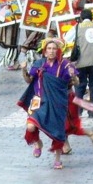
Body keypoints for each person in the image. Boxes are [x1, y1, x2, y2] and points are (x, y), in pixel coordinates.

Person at [20, 38, 78, 170]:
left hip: (57, 102)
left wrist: (73, 76)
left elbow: (76, 82)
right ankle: (38, 143)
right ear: (45, 52)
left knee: (58, 131)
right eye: (49, 49)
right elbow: (29, 80)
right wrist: (23, 70)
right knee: (30, 126)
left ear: (58, 51)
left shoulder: (65, 65)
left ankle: (57, 159)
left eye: (54, 49)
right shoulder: (39, 63)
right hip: (38, 99)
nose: (51, 51)